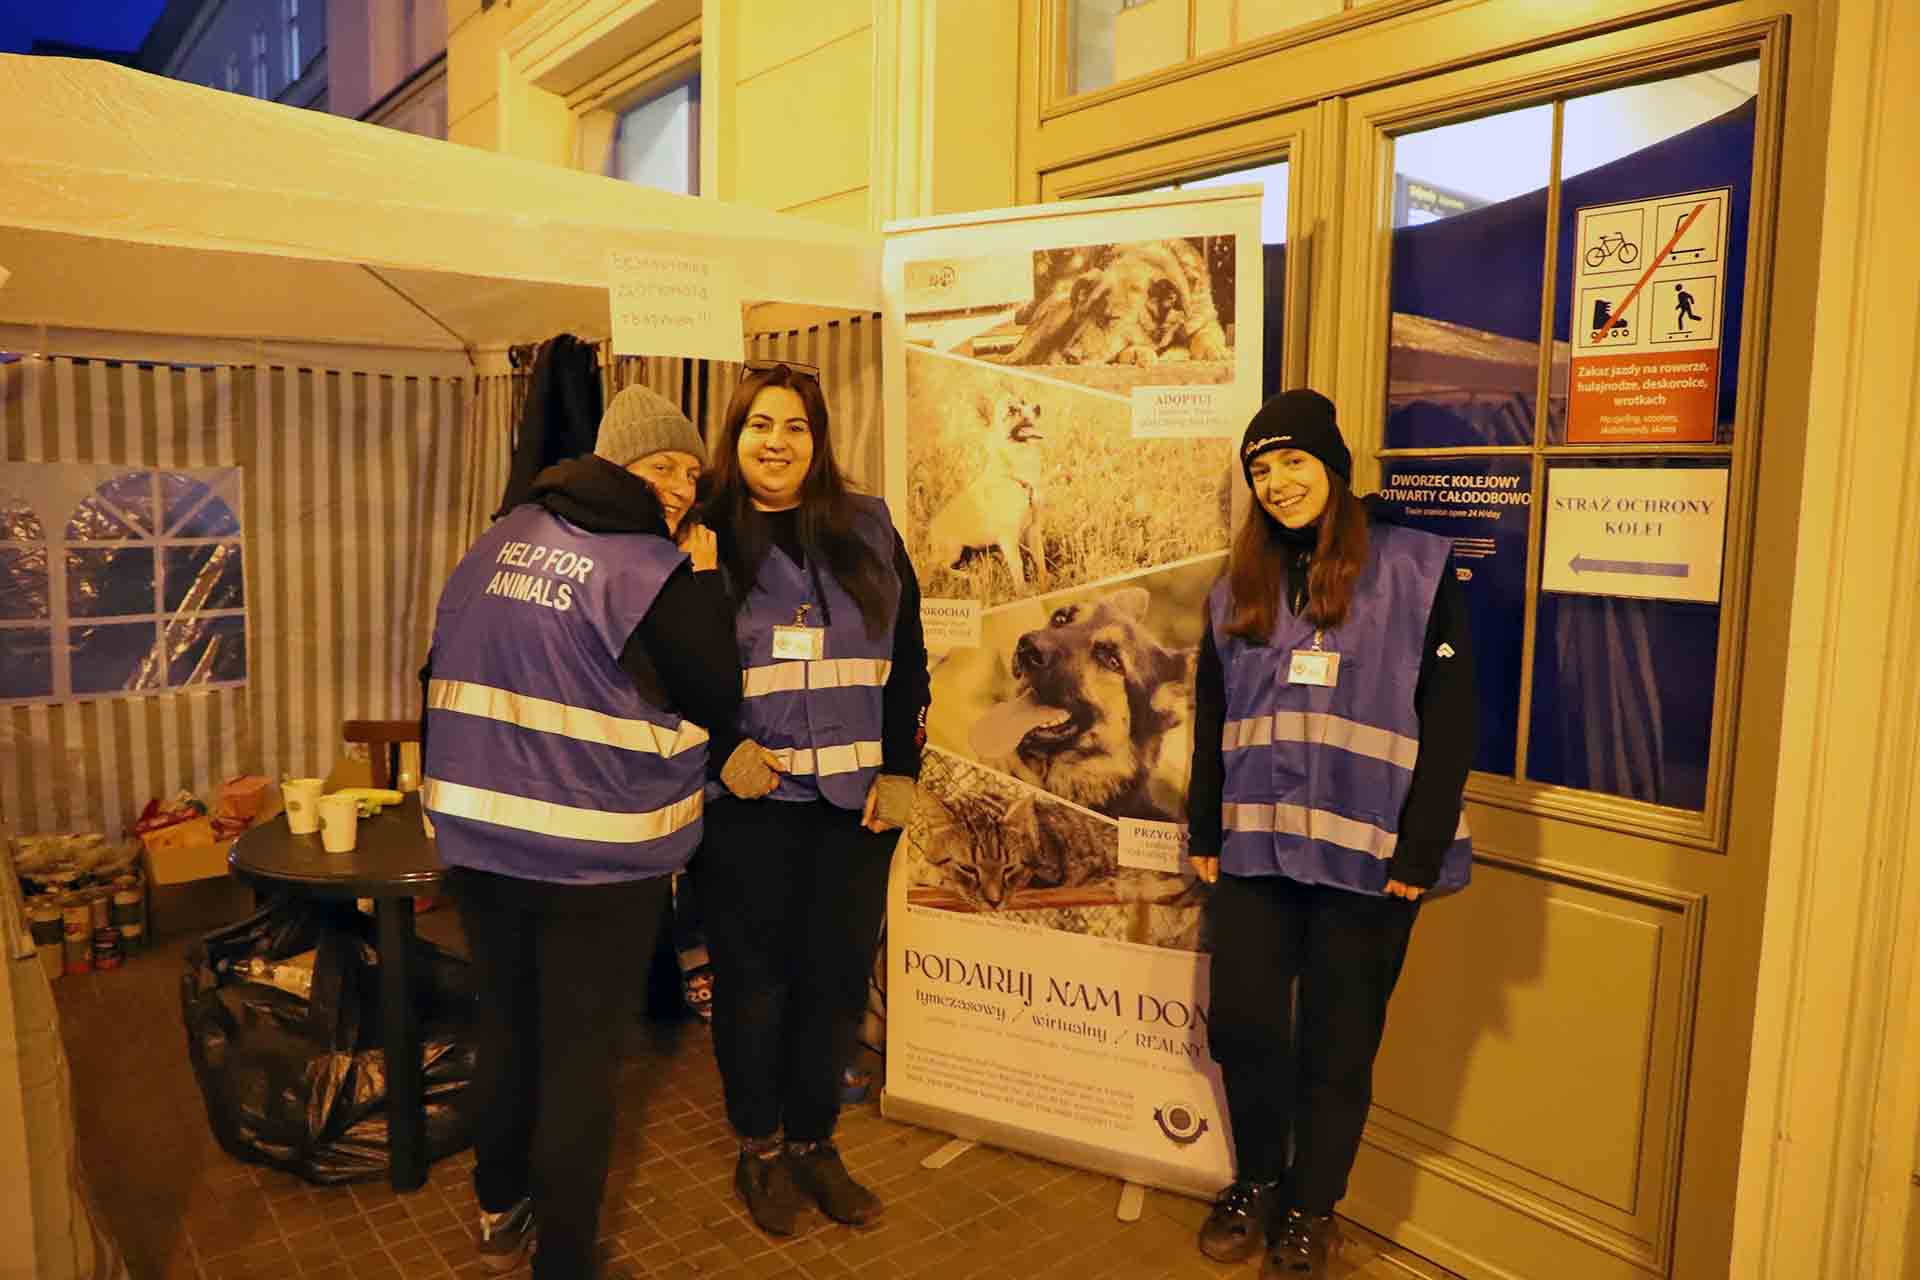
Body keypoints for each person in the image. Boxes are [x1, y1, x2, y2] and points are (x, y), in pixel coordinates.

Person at [420, 385, 739, 1279]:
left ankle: (497, 1213)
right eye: (665, 466)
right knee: (581, 1062)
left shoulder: (493, 543)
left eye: (690, 472)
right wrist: (706, 579)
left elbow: (436, 673)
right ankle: (564, 1259)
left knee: (509, 1032)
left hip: (481, 844)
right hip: (597, 859)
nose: (681, 486)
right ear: (619, 464)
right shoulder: (647, 569)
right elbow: (718, 690)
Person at [1187, 389, 1475, 1278]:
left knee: (1338, 1041)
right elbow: (1211, 715)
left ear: (1335, 468)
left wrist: (1420, 850)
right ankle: (1259, 1181)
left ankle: (1313, 1208)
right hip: (1256, 847)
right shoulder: (1236, 585)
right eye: (1260, 470)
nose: (1276, 483)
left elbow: (1453, 718)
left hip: (1372, 854)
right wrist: (1205, 826)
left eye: (1293, 462)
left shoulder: (1417, 569)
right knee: (1243, 1026)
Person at [696, 360, 930, 1236]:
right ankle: (758, 1148)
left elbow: (906, 658)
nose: (778, 442)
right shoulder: (703, 533)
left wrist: (905, 770)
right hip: (749, 807)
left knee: (832, 984)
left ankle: (813, 1143)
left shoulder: (866, 526)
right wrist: (724, 752)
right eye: (761, 424)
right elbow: (672, 670)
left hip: (854, 806)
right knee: (754, 985)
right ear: (737, 434)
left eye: (795, 426)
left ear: (819, 439)